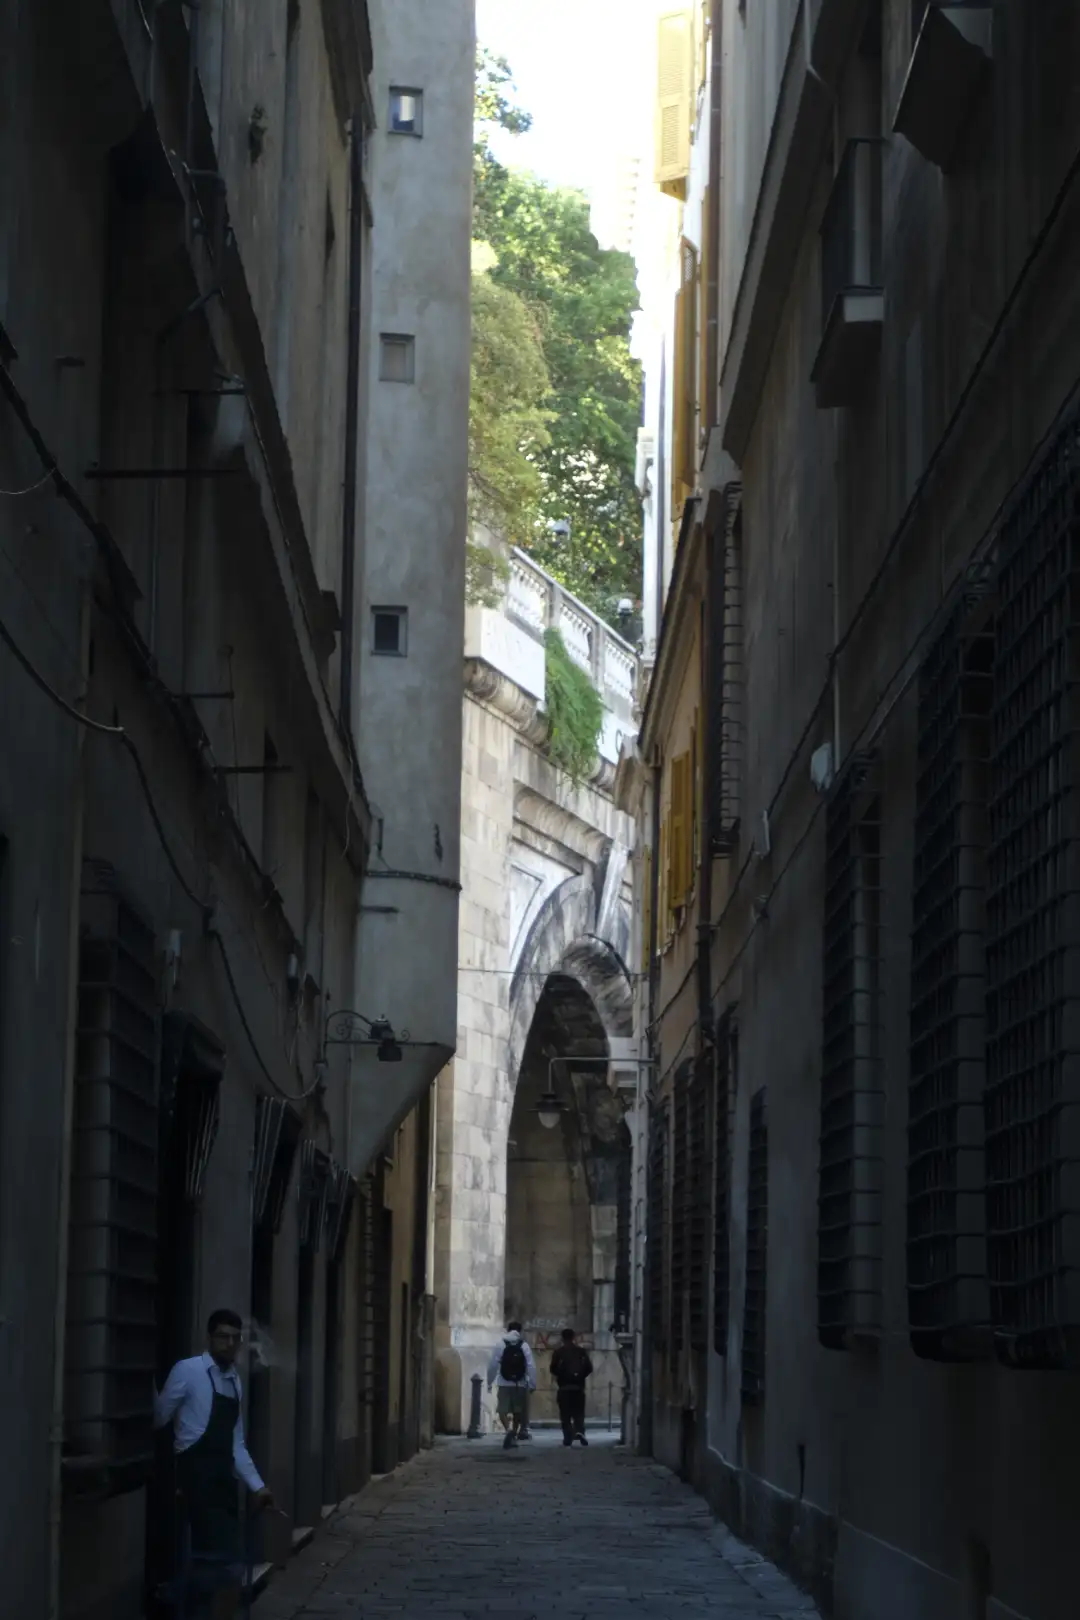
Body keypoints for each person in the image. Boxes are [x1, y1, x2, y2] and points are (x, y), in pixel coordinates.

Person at [154, 1309, 274, 1617]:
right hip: (195, 1476)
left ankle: (177, 1595)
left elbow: (237, 1444)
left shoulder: (235, 1382)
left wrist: (258, 1486)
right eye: (223, 1337)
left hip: (222, 1481)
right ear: (210, 1339)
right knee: (216, 1563)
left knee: (226, 1564)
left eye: (235, 1338)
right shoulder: (188, 1371)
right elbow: (159, 1417)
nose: (229, 1343)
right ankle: (173, 1596)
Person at [486, 1320, 536, 1450]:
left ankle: (508, 1430)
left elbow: (493, 1365)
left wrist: (489, 1382)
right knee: (517, 1411)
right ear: (520, 1331)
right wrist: (532, 1383)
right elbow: (530, 1366)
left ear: (508, 1330)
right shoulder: (524, 1345)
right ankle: (513, 1433)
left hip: (504, 1381)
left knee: (502, 1409)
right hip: (520, 1383)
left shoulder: (500, 1344)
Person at [550, 1328, 593, 1447]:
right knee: (578, 1412)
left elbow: (552, 1368)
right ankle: (579, 1430)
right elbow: (589, 1368)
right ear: (574, 1337)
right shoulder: (581, 1351)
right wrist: (580, 1376)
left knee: (565, 1414)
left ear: (562, 1338)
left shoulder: (558, 1352)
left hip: (564, 1387)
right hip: (578, 1387)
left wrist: (561, 1375)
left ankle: (568, 1436)